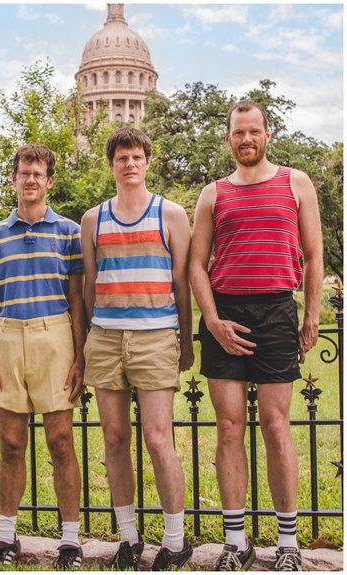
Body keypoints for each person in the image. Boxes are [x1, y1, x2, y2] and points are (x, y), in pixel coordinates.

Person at [190, 100, 323, 572]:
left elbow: (312, 256)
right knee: (228, 427)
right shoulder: (213, 194)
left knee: (276, 424)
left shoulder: (296, 182)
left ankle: (288, 542)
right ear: (228, 138)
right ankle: (235, 542)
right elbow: (195, 265)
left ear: (267, 134)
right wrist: (211, 320)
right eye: (237, 133)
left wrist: (310, 314)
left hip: (275, 311)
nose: (246, 139)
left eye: (254, 131)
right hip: (225, 313)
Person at [80, 127, 194, 570]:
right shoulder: (95, 218)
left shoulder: (171, 214)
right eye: (121, 157)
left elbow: (181, 285)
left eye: (136, 156)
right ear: (111, 165)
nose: (130, 163)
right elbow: (90, 283)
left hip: (155, 337)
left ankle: (175, 538)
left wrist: (184, 343)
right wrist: (94, 332)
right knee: (113, 439)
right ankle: (128, 538)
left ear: (148, 161)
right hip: (106, 338)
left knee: (157, 439)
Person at [0, 143, 86, 569]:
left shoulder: (69, 232)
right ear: (14, 178)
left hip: (54, 334)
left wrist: (79, 356)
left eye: (38, 173)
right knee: (10, 443)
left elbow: (77, 300)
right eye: (24, 172)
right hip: (8, 336)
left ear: (49, 181)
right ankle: (6, 538)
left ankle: (71, 541)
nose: (31, 180)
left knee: (61, 441)